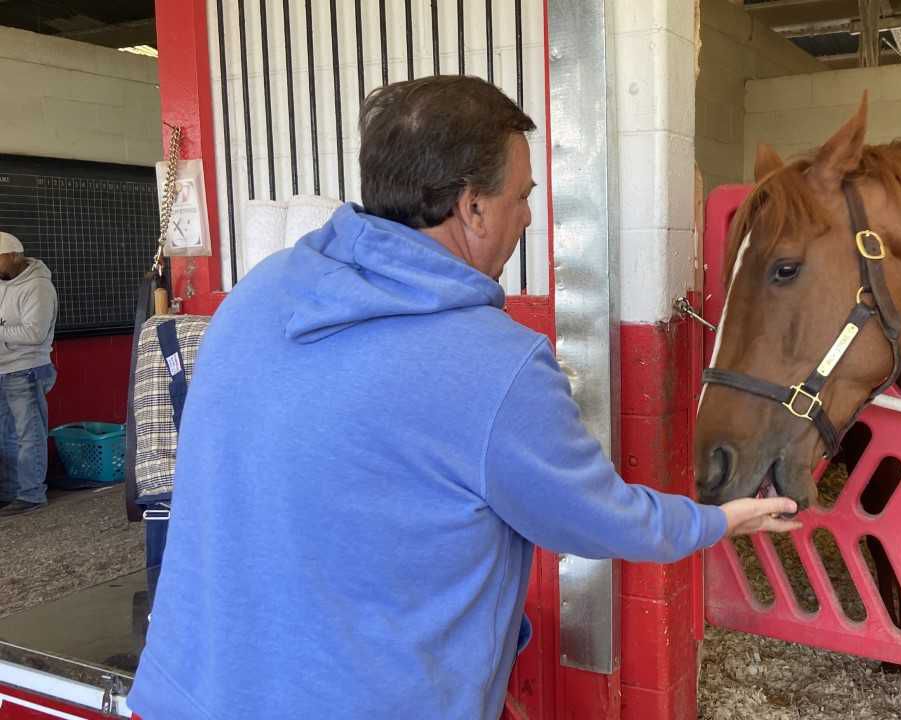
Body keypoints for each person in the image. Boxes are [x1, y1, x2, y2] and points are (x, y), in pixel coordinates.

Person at [128, 75, 799, 719]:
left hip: (185, 693)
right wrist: (718, 520)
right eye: (522, 196)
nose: (530, 216)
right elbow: (603, 518)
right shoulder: (494, 364)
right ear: (472, 205)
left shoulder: (259, 293)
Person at [0, 231, 57, 518]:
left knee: (28, 434)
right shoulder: (3, 283)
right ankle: (12, 493)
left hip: (27, 370)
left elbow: (34, 333)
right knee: (6, 434)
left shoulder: (38, 286)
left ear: (13, 256)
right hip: (4, 369)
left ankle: (31, 493)